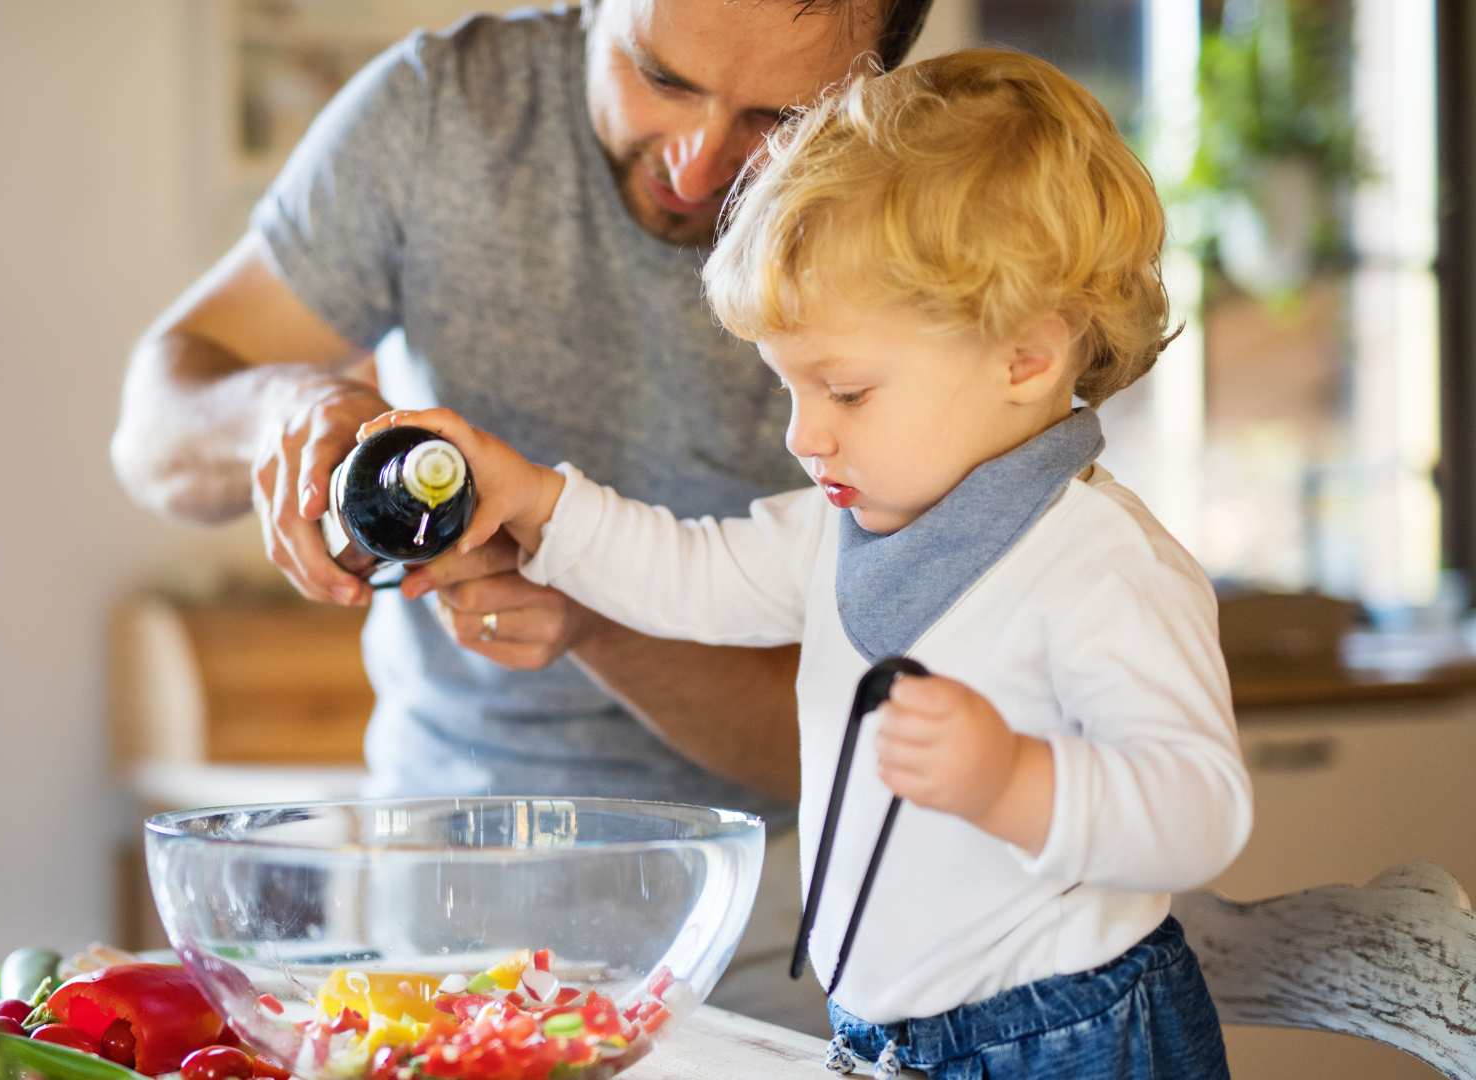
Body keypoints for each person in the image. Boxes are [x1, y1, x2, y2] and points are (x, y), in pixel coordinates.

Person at [356, 48, 1254, 1079]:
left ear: (1027, 357)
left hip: (1067, 1042)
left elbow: (1199, 809)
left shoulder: (1100, 568)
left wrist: (1016, 780)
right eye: (791, 389)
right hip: (882, 1039)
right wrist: (533, 500)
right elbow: (685, 575)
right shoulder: (837, 528)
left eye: (846, 391)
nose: (801, 434)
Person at [112, 0, 934, 1035]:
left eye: (777, 118)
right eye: (662, 79)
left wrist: (588, 616)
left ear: (870, 86)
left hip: (778, 906)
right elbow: (152, 429)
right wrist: (284, 410)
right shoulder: (439, 111)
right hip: (435, 882)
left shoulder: (913, 209)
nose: (693, 164)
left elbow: (838, 747)